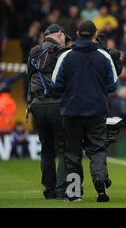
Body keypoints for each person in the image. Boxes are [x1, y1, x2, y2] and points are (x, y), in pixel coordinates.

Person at [52, 20, 118, 202]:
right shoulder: (104, 56)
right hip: (96, 111)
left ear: (77, 33)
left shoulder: (66, 56)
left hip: (71, 111)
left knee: (72, 153)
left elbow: (56, 84)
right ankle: (100, 182)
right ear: (95, 34)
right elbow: (113, 85)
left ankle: (73, 194)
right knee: (97, 149)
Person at [26, 23, 68, 200]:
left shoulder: (34, 51)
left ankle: (49, 191)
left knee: (46, 149)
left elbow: (30, 77)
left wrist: (29, 102)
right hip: (58, 103)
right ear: (59, 34)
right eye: (65, 37)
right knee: (65, 150)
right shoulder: (63, 53)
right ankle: (61, 191)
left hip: (37, 105)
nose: (66, 40)